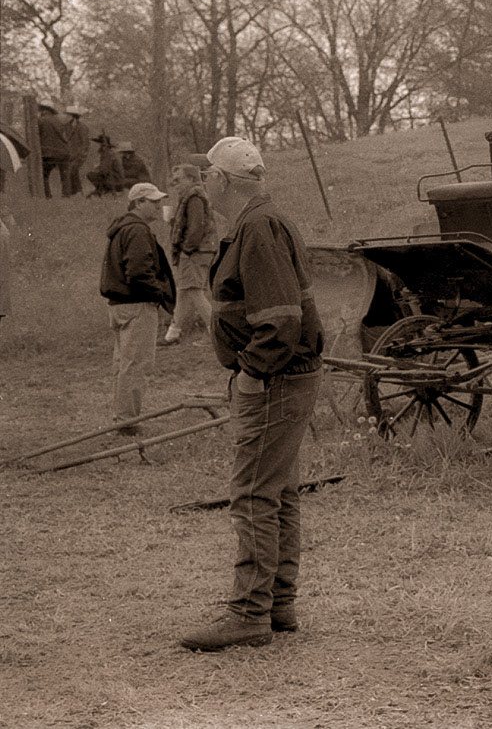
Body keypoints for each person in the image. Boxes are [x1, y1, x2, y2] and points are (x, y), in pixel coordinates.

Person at [180, 136, 325, 652]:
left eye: (206, 177)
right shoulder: (261, 220)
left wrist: (250, 373)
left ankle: (248, 614)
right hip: (286, 376)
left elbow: (281, 319)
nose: (204, 184)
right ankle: (276, 604)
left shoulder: (258, 226)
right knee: (279, 492)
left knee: (253, 495)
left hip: (275, 378)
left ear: (220, 181)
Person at [99, 182, 176, 435]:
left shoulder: (123, 228)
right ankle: (127, 422)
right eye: (153, 201)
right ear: (138, 203)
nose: (158, 206)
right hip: (137, 304)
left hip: (120, 305)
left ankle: (123, 418)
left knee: (124, 364)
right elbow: (139, 273)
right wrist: (161, 295)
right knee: (136, 365)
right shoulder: (138, 231)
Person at [160, 163, 217, 346]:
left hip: (195, 251)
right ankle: (173, 334)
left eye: (178, 180)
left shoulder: (194, 197)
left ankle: (216, 333)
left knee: (193, 291)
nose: (175, 184)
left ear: (191, 179)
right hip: (199, 250)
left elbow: (196, 228)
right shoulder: (192, 197)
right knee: (184, 291)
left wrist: (187, 249)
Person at [38, 103, 71, 199]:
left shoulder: (40, 121)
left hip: (48, 153)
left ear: (43, 110)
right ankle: (66, 197)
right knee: (65, 177)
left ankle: (48, 197)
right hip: (64, 152)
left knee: (44, 175)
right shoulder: (60, 120)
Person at [65, 106, 89, 196]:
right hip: (70, 155)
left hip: (79, 155)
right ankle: (76, 191)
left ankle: (78, 191)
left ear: (73, 116)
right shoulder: (67, 126)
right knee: (71, 172)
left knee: (73, 170)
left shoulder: (82, 127)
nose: (66, 117)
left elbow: (85, 143)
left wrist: (82, 155)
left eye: (68, 115)